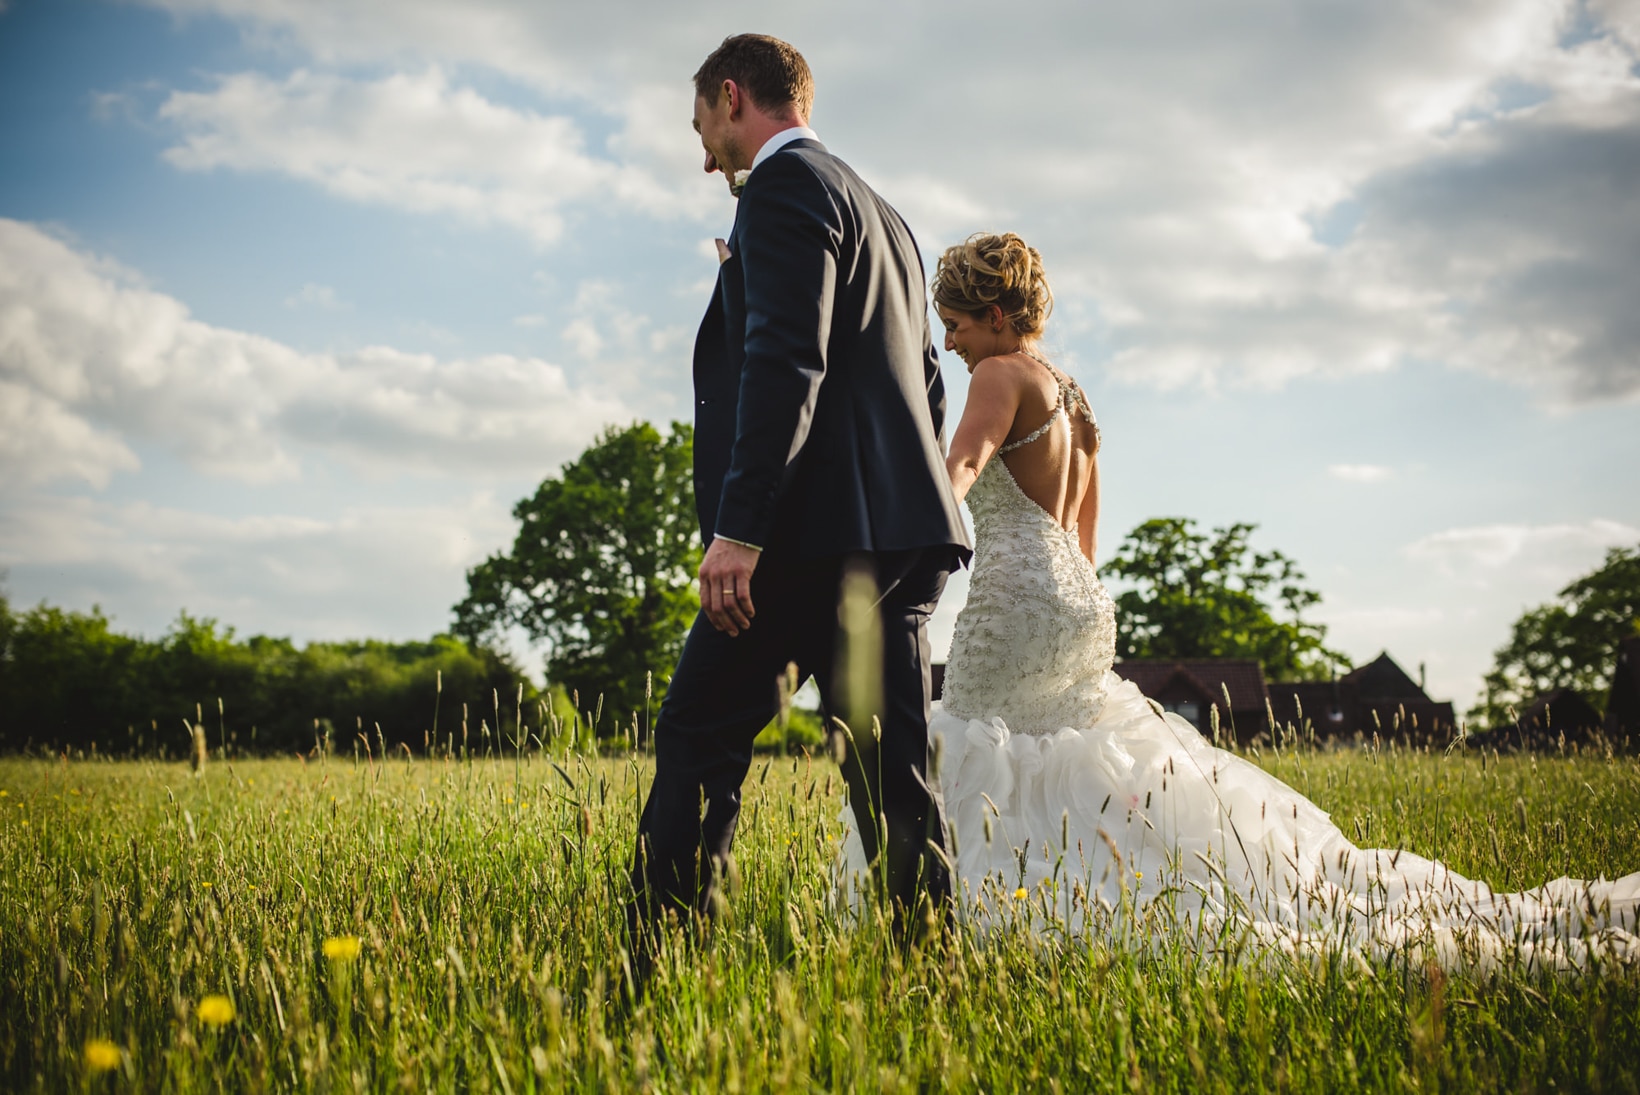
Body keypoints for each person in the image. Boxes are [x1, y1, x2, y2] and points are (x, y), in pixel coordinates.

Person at [841, 231, 1639, 968]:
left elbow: (962, 468)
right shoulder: (1076, 402)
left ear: (995, 315)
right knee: (1059, 751)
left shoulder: (999, 374)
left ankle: (954, 916)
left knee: (977, 745)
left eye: (956, 324)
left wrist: (895, 541)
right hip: (1080, 600)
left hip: (1016, 593)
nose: (949, 342)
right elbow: (1085, 540)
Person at [628, 34, 971, 954]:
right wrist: (898, 496)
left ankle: (658, 959)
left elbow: (786, 361)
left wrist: (741, 530)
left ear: (731, 96)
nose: (704, 152)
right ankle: (930, 970)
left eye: (702, 122)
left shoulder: (782, 191)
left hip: (801, 541)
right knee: (894, 777)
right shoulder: (884, 213)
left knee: (698, 736)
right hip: (896, 540)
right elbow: (927, 384)